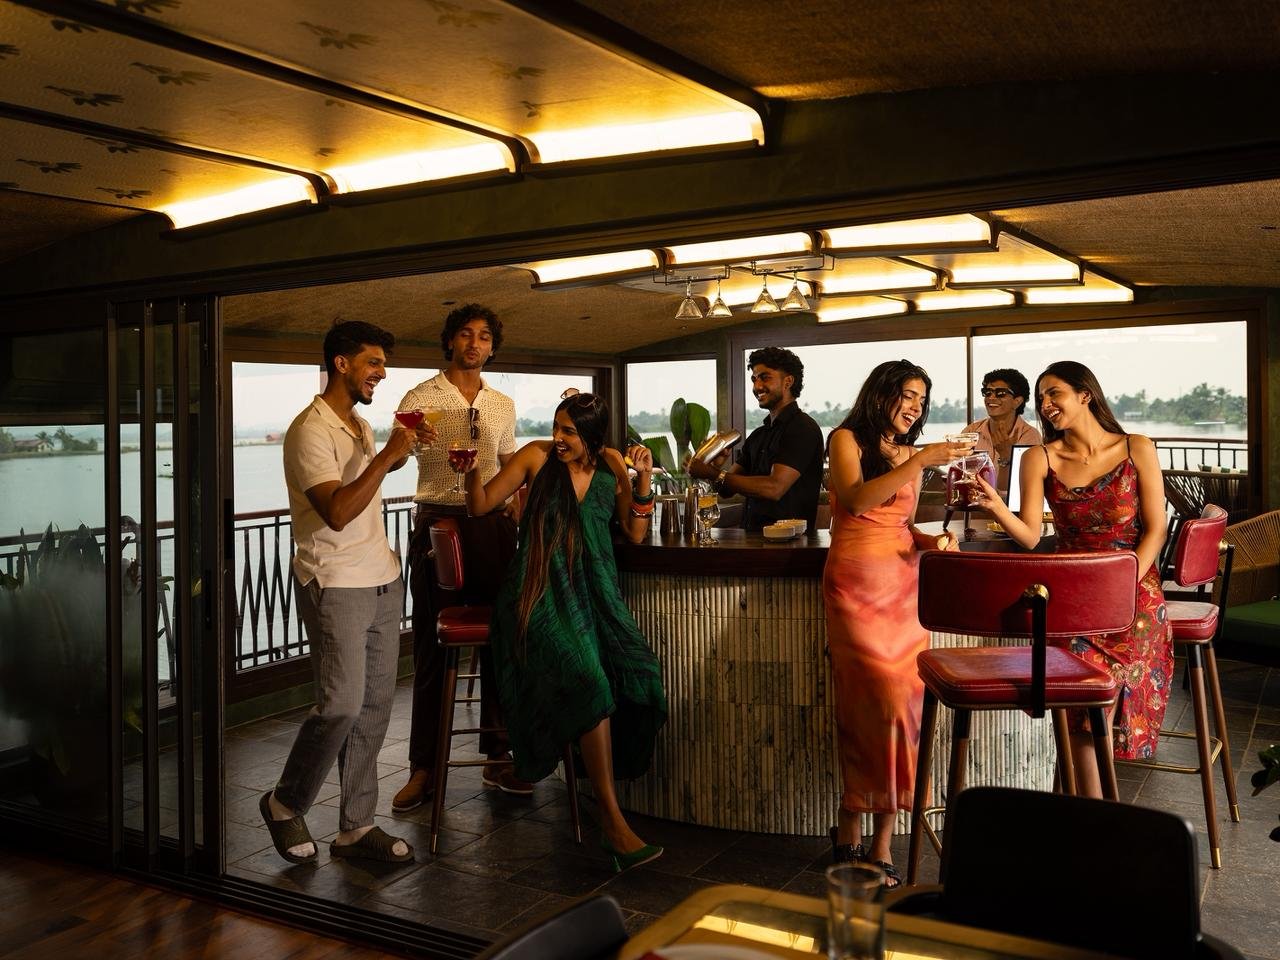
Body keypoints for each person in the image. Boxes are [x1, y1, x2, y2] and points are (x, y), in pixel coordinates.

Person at [462, 389, 668, 872]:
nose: (558, 438)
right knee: (590, 681)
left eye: (569, 432)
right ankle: (613, 824)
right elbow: (479, 505)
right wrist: (469, 467)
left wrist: (641, 480)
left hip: (595, 594)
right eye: (556, 427)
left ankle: (598, 784)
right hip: (537, 595)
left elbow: (634, 532)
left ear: (593, 436)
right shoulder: (535, 457)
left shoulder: (612, 464)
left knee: (642, 673)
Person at [261, 320, 428, 865]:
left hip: (382, 575)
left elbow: (365, 482)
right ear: (341, 363)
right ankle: (285, 803)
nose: (382, 373)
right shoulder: (308, 430)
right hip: (335, 581)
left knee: (376, 708)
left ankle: (355, 827)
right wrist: (387, 457)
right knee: (340, 706)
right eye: (374, 362)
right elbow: (335, 512)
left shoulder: (356, 424)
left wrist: (399, 453)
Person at [973, 360, 1170, 797]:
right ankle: (1093, 816)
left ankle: (1085, 816)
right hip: (1073, 597)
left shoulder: (1137, 447)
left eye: (1054, 393)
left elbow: (1156, 529)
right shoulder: (1039, 457)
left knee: (1098, 708)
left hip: (1133, 592)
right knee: (1083, 711)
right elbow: (1028, 536)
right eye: (1041, 397)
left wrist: (1123, 584)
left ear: (1085, 394)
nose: (1045, 405)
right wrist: (994, 506)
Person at [822, 359, 971, 887]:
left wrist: (929, 542)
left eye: (922, 399)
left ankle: (879, 843)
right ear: (882, 393)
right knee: (871, 704)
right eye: (908, 394)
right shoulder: (845, 439)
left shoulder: (911, 454)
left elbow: (899, 521)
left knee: (903, 711)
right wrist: (922, 461)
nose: (916, 406)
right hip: (855, 586)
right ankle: (847, 822)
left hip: (903, 589)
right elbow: (860, 500)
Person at [390, 304, 530, 814]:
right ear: (449, 341)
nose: (475, 343)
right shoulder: (420, 396)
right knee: (431, 645)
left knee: (499, 642)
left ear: (493, 346)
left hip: (492, 525)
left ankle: (499, 755)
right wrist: (407, 443)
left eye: (485, 336)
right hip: (438, 523)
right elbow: (398, 452)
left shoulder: (502, 403)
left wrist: (521, 512)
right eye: (466, 335)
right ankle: (422, 768)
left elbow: (509, 461)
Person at [688, 346, 823, 531]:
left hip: (790, 547)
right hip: (752, 541)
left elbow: (774, 488)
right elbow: (726, 490)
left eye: (765, 377)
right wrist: (714, 466)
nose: (757, 386)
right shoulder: (759, 435)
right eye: (754, 379)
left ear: (788, 382)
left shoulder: (803, 428)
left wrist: (712, 473)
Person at [963, 368, 1042, 494]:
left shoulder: (1030, 437)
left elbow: (1013, 493)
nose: (991, 398)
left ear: (1017, 401)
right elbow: (962, 477)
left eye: (1001, 393)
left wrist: (1006, 456)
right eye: (987, 393)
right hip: (973, 507)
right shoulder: (971, 431)